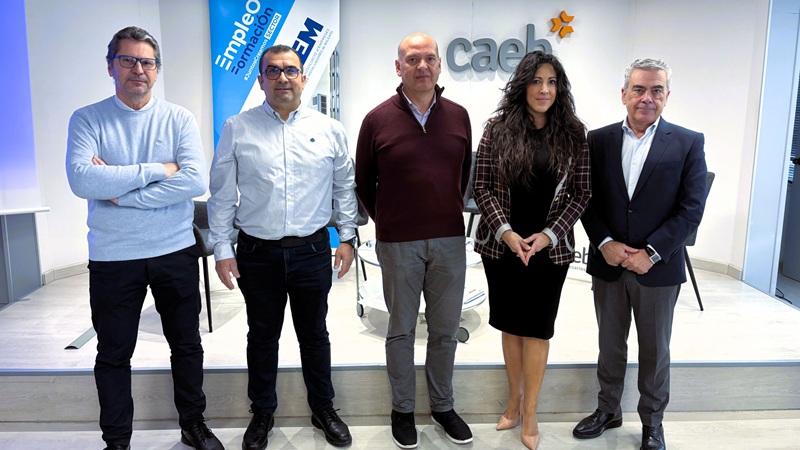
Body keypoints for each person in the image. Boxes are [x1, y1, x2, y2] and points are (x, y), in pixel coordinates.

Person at [65, 26, 222, 450]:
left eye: (147, 62)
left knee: (186, 345)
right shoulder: (87, 119)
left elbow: (194, 181)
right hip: (113, 256)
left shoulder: (178, 118)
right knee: (114, 353)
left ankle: (193, 424)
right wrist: (158, 170)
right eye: (128, 60)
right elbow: (82, 179)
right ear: (111, 66)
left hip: (174, 249)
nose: (139, 69)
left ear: (157, 69)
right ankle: (117, 440)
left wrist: (121, 193)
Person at [207, 44, 357, 450]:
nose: (282, 78)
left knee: (315, 335)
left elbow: (345, 187)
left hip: (312, 250)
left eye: (290, 70)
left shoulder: (330, 129)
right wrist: (222, 248)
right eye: (272, 71)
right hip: (258, 254)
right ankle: (262, 412)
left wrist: (346, 237)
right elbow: (221, 194)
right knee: (262, 337)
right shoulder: (238, 127)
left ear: (304, 78)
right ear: (260, 80)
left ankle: (323, 408)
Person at [574, 58, 707, 450]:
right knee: (610, 345)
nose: (647, 98)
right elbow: (585, 198)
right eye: (639, 89)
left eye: (656, 90)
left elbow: (691, 210)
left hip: (658, 269)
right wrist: (605, 243)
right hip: (609, 264)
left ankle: (652, 423)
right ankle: (608, 410)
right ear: (624, 94)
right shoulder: (598, 140)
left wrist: (651, 252)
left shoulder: (688, 142)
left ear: (667, 96)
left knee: (655, 351)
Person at [355, 33, 473, 449]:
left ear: (439, 64)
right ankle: (402, 410)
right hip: (398, 242)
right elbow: (363, 182)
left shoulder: (459, 116)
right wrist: (389, 219)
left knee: (445, 331)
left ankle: (443, 407)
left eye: (429, 59)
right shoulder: (376, 120)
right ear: (398, 66)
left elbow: (463, 176)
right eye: (412, 59)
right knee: (401, 331)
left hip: (448, 240)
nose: (422, 66)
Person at [472, 51, 591, 450]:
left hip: (549, 250)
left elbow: (582, 193)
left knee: (538, 329)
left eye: (552, 82)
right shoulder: (496, 130)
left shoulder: (574, 133)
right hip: (502, 246)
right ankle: (513, 400)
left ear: (560, 88)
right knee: (510, 325)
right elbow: (481, 188)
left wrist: (549, 235)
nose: (544, 89)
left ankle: (532, 409)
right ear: (522, 85)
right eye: (536, 81)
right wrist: (506, 233)